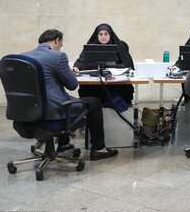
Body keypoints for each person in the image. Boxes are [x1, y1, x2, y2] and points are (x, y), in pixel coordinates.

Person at [22, 29, 118, 161]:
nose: (60, 47)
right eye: (61, 44)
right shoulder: (57, 56)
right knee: (94, 102)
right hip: (52, 111)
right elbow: (72, 85)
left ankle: (64, 144)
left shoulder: (24, 57)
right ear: (57, 40)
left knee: (60, 98)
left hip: (28, 113)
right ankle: (99, 149)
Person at [72, 23, 135, 107]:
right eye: (100, 34)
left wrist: (112, 68)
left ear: (110, 35)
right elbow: (81, 60)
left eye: (106, 34)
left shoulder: (120, 47)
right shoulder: (91, 47)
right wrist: (76, 66)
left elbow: (127, 64)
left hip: (115, 83)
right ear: (97, 35)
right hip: (95, 83)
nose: (103, 37)